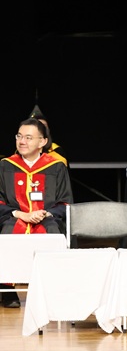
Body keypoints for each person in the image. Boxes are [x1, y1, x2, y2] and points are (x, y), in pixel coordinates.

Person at [0, 117, 73, 308]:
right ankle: (8, 293)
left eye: (28, 137)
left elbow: (66, 202)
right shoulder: (5, 166)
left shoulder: (56, 166)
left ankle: (52, 291)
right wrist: (20, 214)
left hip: (47, 218)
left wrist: (45, 214)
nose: (22, 141)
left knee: (53, 233)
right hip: (13, 217)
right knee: (7, 233)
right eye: (19, 136)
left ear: (42, 142)